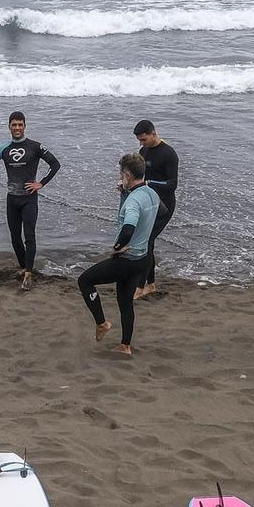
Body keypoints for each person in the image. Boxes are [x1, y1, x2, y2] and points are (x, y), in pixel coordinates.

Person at [77, 153, 161, 356]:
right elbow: (163, 212)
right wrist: (124, 194)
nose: (120, 176)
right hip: (142, 259)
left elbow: (128, 228)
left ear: (128, 174)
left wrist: (117, 247)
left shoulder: (133, 201)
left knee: (85, 280)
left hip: (127, 260)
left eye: (121, 173)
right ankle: (125, 346)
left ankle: (101, 323)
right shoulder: (152, 193)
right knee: (125, 303)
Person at [0, 110, 59, 290]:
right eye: (14, 125)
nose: (17, 128)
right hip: (12, 199)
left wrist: (41, 183)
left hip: (29, 199)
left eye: (20, 125)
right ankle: (23, 267)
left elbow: (55, 164)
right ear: (9, 127)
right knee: (15, 237)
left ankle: (29, 273)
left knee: (29, 236)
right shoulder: (4, 148)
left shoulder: (35, 146)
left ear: (25, 126)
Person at [132, 119, 179, 300]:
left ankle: (141, 286)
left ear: (153, 133)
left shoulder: (169, 154)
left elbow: (172, 185)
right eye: (139, 140)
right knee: (145, 242)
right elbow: (139, 177)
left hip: (164, 206)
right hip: (148, 202)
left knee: (147, 241)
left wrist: (149, 183)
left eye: (144, 139)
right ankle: (149, 284)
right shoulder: (143, 151)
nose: (141, 144)